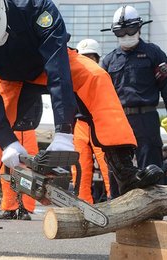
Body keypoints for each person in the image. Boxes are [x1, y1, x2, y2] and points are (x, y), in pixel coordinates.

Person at [0, 0, 164, 253]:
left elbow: (57, 66)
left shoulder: (35, 6)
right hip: (6, 79)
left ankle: (126, 173)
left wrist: (64, 130)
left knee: (96, 78)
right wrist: (7, 141)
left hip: (50, 62)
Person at [101, 5, 167, 196]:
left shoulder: (153, 53)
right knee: (117, 165)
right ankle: (118, 211)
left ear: (140, 27)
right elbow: (101, 95)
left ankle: (154, 210)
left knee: (151, 165)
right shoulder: (109, 60)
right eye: (120, 31)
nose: (126, 35)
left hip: (146, 117)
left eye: (130, 30)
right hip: (118, 120)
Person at [72, 39, 111, 204]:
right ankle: (83, 203)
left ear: (97, 59)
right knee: (80, 167)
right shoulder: (72, 78)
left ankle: (114, 198)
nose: (88, 61)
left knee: (107, 164)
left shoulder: (104, 77)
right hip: (80, 125)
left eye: (91, 57)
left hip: (100, 124)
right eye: (84, 57)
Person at [0, 130, 38, 221]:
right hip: (10, 132)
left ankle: (24, 208)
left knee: (29, 173)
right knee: (7, 173)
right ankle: (9, 208)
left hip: (27, 132)